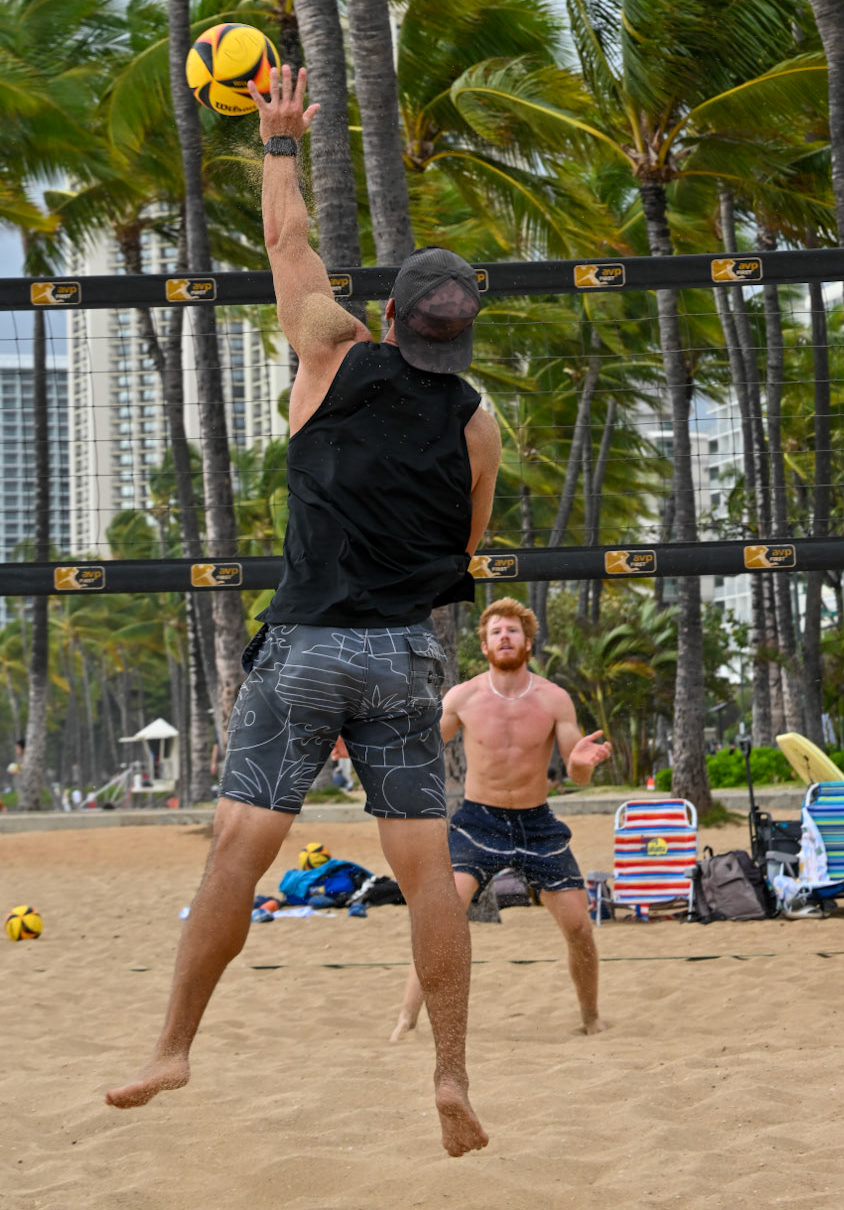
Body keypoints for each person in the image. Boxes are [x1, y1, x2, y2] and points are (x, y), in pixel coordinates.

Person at [107, 66, 501, 1157]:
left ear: (387, 317)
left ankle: (173, 1046)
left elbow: (288, 249)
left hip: (306, 649)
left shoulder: (329, 355)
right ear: (457, 336)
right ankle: (452, 1069)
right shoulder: (477, 422)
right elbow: (463, 550)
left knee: (236, 853)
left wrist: (278, 138)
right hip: (402, 655)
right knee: (429, 870)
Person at [390, 598, 613, 1045]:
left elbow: (575, 766)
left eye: (512, 631)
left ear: (528, 642)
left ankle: (590, 1017)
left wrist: (585, 763)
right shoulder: (463, 697)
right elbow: (422, 749)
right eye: (496, 632)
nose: (504, 637)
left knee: (577, 926)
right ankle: (405, 1019)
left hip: (538, 823)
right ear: (485, 644)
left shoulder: (554, 699)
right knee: (442, 916)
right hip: (478, 821)